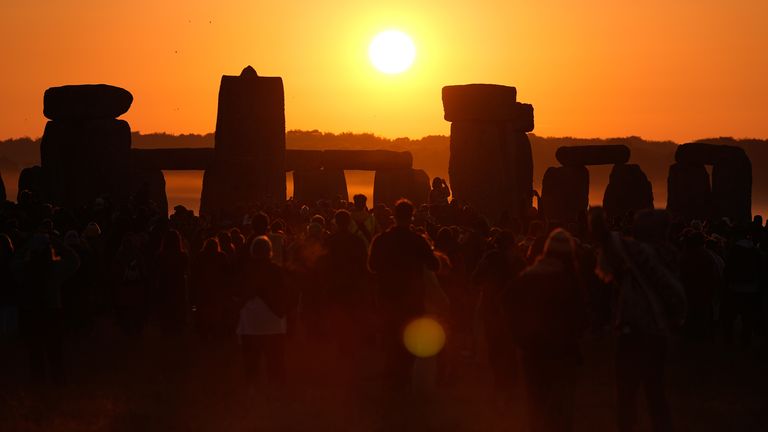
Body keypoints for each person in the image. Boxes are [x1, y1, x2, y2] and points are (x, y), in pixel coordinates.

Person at [591, 208, 685, 432]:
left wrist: (595, 217)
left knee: (627, 397)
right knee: (656, 395)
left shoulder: (635, 251)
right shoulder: (670, 254)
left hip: (632, 333)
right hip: (658, 333)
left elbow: (606, 239)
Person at [506, 229, 586, 431]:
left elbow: (507, 301)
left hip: (532, 352)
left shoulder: (528, 276)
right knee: (561, 411)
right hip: (563, 353)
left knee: (536, 407)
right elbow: (582, 318)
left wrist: (519, 336)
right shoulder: (569, 280)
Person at [368, 199, 440, 394]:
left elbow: (372, 266)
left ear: (394, 214)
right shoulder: (417, 241)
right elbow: (435, 265)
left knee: (390, 338)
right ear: (412, 216)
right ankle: (404, 378)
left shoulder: (381, 239)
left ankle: (391, 380)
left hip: (387, 297)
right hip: (412, 299)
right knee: (408, 339)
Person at [15, 233, 80, 385]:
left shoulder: (25, 268)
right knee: (54, 352)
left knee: (35, 352)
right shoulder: (55, 268)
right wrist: (60, 245)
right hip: (52, 311)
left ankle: (39, 384)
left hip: (33, 312)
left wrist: (25, 247)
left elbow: (13, 264)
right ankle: (58, 383)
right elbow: (75, 261)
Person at [473, 230, 526, 405]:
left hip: (492, 310)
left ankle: (499, 387)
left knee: (495, 349)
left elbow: (475, 278)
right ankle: (510, 388)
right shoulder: (518, 261)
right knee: (510, 350)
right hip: (512, 312)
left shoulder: (489, 258)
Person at [322, 209, 370, 382]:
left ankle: (340, 351)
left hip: (335, 287)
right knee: (352, 319)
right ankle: (349, 351)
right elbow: (364, 264)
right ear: (349, 221)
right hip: (353, 287)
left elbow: (323, 265)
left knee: (337, 319)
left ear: (335, 221)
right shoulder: (356, 241)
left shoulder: (330, 241)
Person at [237, 236, 289, 391]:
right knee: (275, 361)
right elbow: (285, 294)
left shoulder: (246, 270)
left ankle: (252, 391)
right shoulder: (276, 270)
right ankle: (275, 391)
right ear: (269, 252)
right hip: (273, 322)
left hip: (250, 322)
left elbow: (238, 293)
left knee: (251, 362)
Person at [153, 229, 190, 331]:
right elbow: (186, 269)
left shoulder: (160, 256)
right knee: (178, 304)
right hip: (178, 283)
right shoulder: (183, 255)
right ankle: (177, 325)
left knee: (166, 304)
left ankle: (166, 325)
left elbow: (156, 270)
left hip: (164, 283)